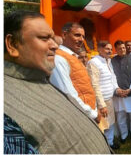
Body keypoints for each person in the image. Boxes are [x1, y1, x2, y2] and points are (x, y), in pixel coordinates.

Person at [4, 10, 111, 154]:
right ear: (12, 45)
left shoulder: (41, 77)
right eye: (44, 38)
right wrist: (93, 114)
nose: (54, 46)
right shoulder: (6, 114)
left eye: (53, 38)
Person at [50, 22, 99, 123]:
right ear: (64, 35)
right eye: (77, 35)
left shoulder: (73, 57)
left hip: (86, 112)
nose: (81, 39)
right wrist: (93, 114)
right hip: (81, 116)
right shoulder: (59, 58)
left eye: (83, 36)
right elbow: (69, 95)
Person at [87, 42, 124, 149]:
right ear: (99, 49)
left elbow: (113, 77)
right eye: (107, 49)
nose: (110, 51)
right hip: (101, 101)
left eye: (111, 49)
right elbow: (94, 85)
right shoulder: (93, 62)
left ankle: (110, 143)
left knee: (110, 122)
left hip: (110, 98)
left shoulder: (108, 61)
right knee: (103, 124)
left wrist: (116, 88)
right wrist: (101, 105)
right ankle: (104, 146)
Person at [111, 40, 131, 143]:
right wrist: (117, 89)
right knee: (121, 117)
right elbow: (112, 76)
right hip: (119, 95)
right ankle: (124, 135)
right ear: (116, 49)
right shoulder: (112, 61)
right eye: (119, 48)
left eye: (123, 48)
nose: (122, 50)